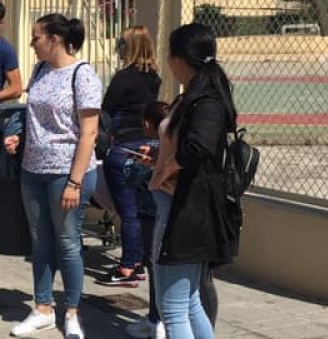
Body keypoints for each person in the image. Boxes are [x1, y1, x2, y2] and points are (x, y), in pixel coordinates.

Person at [8, 13, 102, 339]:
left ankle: (72, 312)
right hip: (33, 171)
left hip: (67, 173)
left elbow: (89, 133)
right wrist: (19, 137)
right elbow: (36, 116)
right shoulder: (40, 70)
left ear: (55, 39)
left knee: (67, 243)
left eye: (36, 37)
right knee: (40, 241)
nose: (32, 43)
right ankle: (43, 308)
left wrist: (75, 182)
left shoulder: (83, 75)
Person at [143, 22, 238, 339]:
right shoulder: (193, 96)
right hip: (178, 207)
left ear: (179, 59)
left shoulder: (206, 101)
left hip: (183, 212)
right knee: (190, 302)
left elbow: (199, 148)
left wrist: (169, 166)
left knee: (173, 309)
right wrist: (161, 159)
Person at [99, 26, 162, 288]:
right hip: (149, 144)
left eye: (121, 42)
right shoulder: (154, 78)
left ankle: (128, 267)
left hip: (125, 145)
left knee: (128, 211)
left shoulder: (123, 78)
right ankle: (140, 261)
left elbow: (106, 109)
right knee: (144, 208)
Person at [123, 101, 169, 339]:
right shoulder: (173, 148)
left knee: (154, 264)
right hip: (170, 213)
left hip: (151, 215)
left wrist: (139, 165)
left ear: (148, 124)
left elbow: (130, 178)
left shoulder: (150, 149)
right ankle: (158, 317)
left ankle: (156, 319)